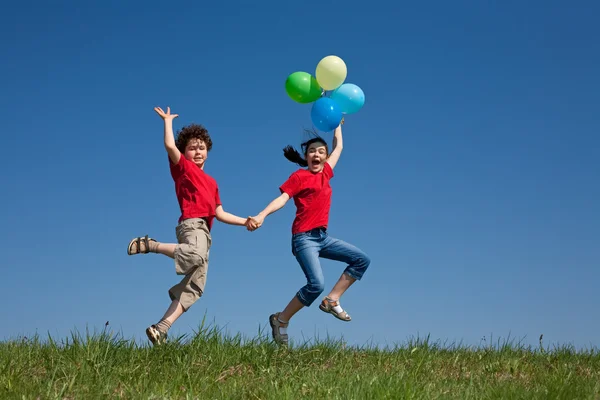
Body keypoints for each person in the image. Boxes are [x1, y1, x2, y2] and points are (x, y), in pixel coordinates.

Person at [127, 106, 254, 345]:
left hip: (206, 232)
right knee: (194, 254)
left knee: (196, 286)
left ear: (208, 152)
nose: (197, 152)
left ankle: (161, 328)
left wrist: (244, 222)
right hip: (191, 224)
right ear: (184, 152)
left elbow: (220, 213)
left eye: (201, 148)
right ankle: (150, 245)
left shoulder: (212, 182)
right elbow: (169, 146)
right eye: (192, 148)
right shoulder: (182, 169)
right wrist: (167, 122)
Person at [248, 121, 371, 346]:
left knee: (361, 260)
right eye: (312, 151)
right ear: (306, 156)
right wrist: (262, 215)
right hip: (304, 238)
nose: (317, 154)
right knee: (316, 284)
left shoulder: (326, 172)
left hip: (322, 237)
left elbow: (339, 146)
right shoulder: (299, 177)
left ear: (325, 157)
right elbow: (283, 199)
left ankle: (333, 300)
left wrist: (337, 124)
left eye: (321, 151)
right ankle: (281, 320)